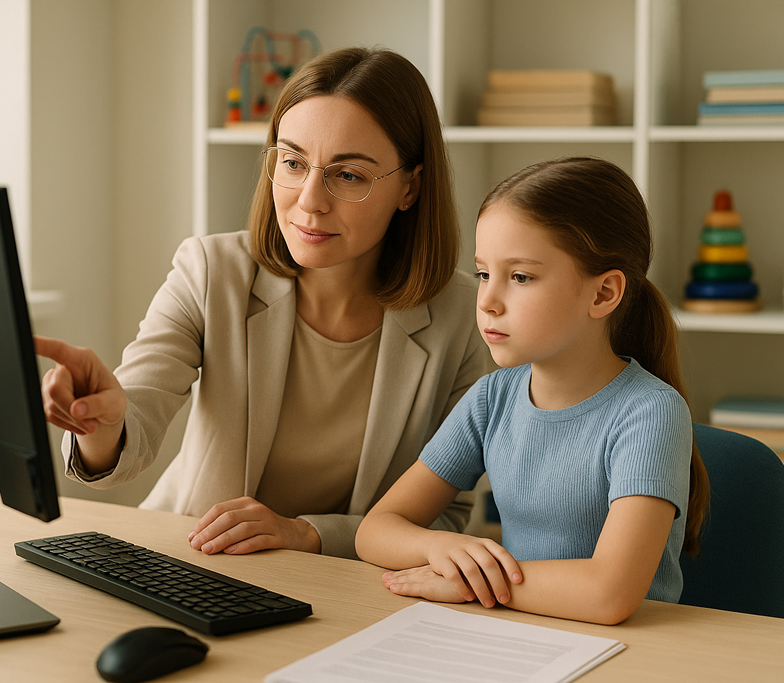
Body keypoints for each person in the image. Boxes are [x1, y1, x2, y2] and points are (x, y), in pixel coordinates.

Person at [35, 46, 488, 560]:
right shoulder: (211, 270)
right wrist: (104, 422)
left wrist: (306, 534)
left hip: (344, 587)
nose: (309, 199)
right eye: (293, 162)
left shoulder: (464, 316)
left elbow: (444, 515)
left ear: (410, 186)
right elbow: (132, 426)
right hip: (187, 560)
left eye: (349, 175)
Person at [355, 156, 711, 625]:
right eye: (484, 273)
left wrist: (468, 585)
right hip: (519, 636)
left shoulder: (651, 412)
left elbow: (609, 595)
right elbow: (375, 531)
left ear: (603, 293)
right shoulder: (491, 399)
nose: (487, 300)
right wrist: (441, 546)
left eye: (520, 277)